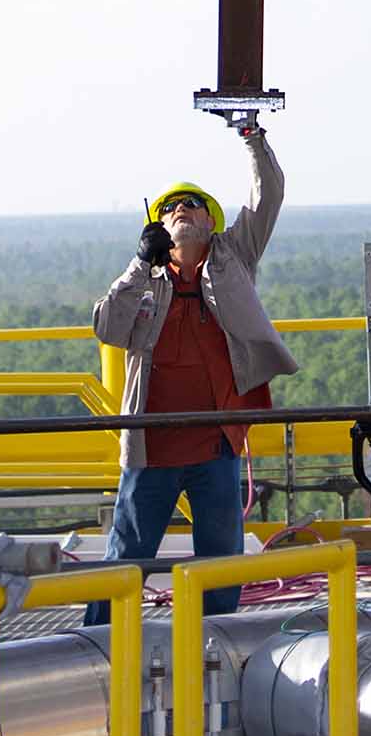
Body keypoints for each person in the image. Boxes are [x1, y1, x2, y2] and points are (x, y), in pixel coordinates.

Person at [92, 113, 293, 564]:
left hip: (215, 444)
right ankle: (103, 634)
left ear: (210, 221)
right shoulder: (145, 277)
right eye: (171, 207)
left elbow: (269, 197)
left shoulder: (234, 255)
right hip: (151, 446)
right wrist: (138, 265)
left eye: (192, 203)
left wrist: (252, 137)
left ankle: (219, 635)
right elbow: (107, 327)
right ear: (158, 227)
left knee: (221, 560)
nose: (181, 208)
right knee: (126, 558)